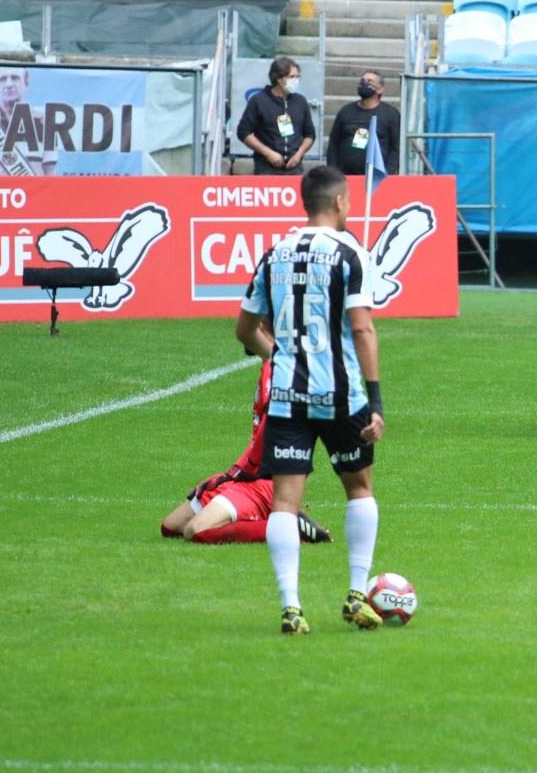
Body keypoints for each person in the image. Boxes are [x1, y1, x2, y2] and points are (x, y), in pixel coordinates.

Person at [236, 165, 385, 635]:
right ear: (340, 202)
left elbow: (244, 329)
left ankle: (291, 607)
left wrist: (276, 356)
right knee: (358, 488)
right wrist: (376, 399)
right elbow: (361, 327)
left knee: (284, 503)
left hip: (286, 395)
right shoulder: (349, 253)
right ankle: (357, 595)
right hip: (341, 395)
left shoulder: (274, 252)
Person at [159, 359, 332, 545]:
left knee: (195, 531)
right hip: (246, 477)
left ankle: (288, 526)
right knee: (170, 527)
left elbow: (270, 430)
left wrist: (237, 471)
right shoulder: (270, 365)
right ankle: (277, 516)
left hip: (264, 482)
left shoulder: (280, 370)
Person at [0, 66, 56, 176]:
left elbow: (50, 176)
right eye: (3, 79)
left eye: (15, 78)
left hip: (33, 193)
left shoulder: (43, 124)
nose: (9, 84)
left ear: (26, 85)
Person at [237, 56, 315, 176]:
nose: (296, 80)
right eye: (292, 77)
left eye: (298, 77)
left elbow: (310, 134)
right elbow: (243, 132)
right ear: (279, 78)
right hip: (266, 168)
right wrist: (268, 153)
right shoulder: (259, 100)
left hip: (295, 168)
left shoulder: (300, 101)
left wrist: (299, 154)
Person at [326, 70, 400, 176]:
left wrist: (388, 172)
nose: (364, 83)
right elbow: (333, 143)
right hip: (345, 177)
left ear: (380, 89)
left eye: (369, 81)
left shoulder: (390, 114)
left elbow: (395, 148)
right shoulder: (346, 111)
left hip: (377, 178)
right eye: (362, 80)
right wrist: (333, 171)